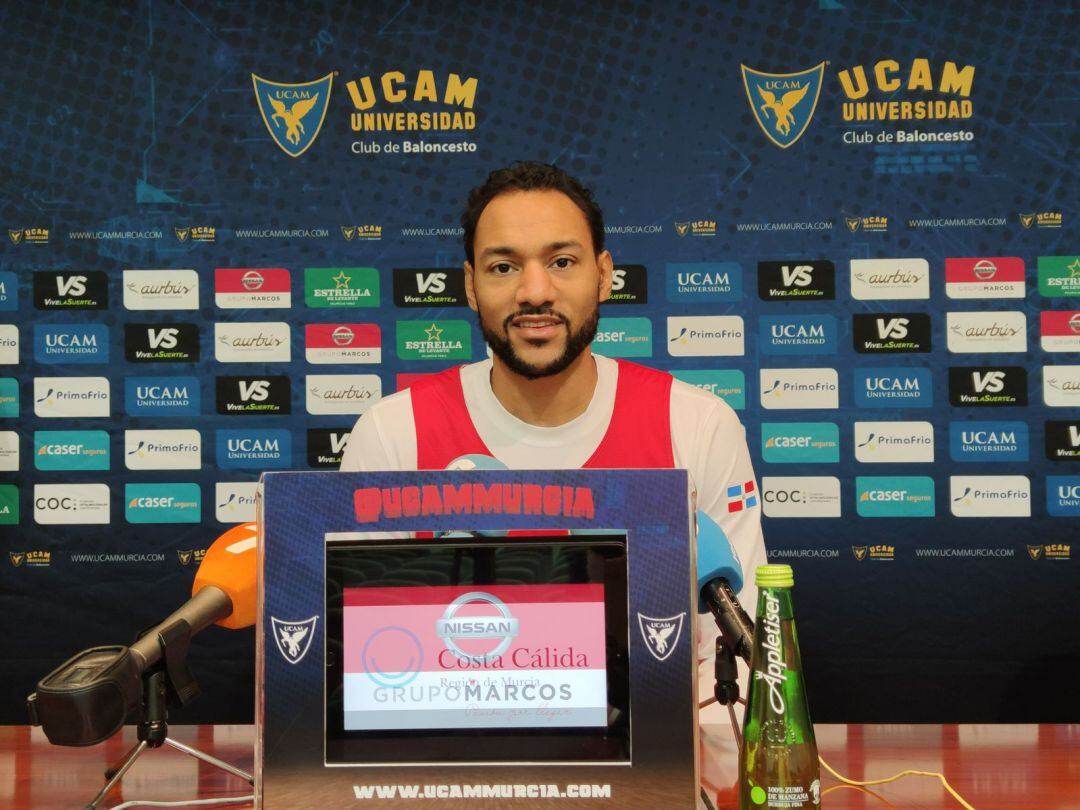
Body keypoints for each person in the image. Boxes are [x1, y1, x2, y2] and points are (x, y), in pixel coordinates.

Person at [340, 161, 766, 709]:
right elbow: (358, 654)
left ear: (605, 274)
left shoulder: (697, 424)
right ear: (470, 284)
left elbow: (739, 656)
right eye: (502, 267)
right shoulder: (394, 432)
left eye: (562, 262)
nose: (534, 292)